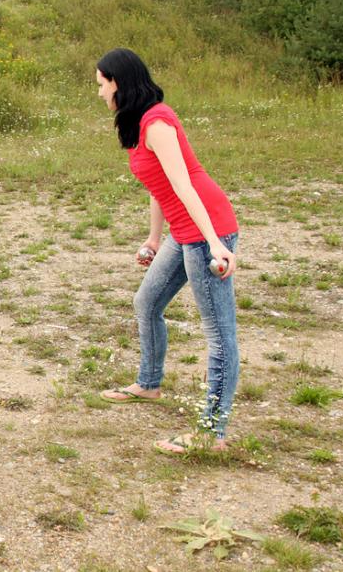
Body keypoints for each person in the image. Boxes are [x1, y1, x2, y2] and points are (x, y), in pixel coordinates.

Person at [94, 48, 240, 454]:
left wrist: (215, 242)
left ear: (118, 82)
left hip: (206, 229)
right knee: (147, 302)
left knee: (220, 335)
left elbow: (184, 185)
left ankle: (211, 434)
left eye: (102, 84)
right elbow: (159, 186)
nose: (99, 93)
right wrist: (154, 237)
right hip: (183, 230)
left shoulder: (157, 122)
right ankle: (149, 384)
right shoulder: (138, 123)